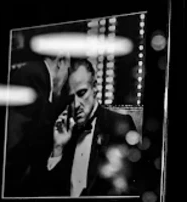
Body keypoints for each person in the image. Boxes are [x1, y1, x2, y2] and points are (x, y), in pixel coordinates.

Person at [38, 59, 138, 197]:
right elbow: (46, 190)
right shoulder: (59, 128)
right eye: (70, 97)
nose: (76, 104)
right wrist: (58, 148)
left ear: (95, 87)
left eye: (82, 93)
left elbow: (129, 185)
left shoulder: (118, 123)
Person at [3, 44, 71, 196]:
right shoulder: (34, 76)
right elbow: (30, 133)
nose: (67, 77)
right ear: (61, 60)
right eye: (68, 68)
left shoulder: (37, 76)